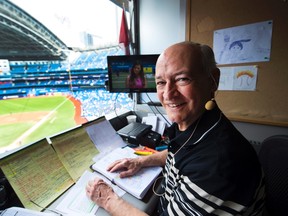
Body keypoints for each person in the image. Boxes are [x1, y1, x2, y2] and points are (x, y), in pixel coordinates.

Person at [86, 41, 265, 216]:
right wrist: (139, 162)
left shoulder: (218, 163)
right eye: (161, 82)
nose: (168, 94)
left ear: (213, 81)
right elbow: (180, 153)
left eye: (182, 79)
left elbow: (200, 162)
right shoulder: (197, 125)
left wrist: (108, 199)